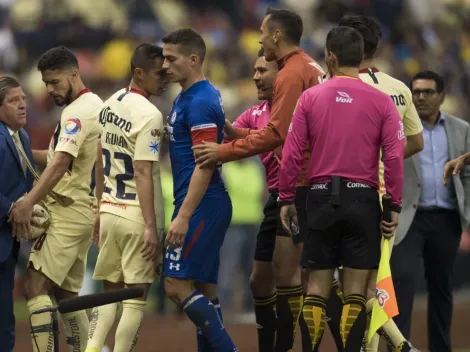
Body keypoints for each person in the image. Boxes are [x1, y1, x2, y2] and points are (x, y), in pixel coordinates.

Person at [194, 8, 325, 351]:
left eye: (261, 69)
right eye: (253, 70)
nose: (255, 76)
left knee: (296, 276)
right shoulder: (259, 108)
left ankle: (288, 345)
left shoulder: (292, 77)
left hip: (301, 186)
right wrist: (218, 125)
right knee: (260, 280)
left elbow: (274, 134)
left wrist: (221, 152)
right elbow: (245, 132)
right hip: (281, 193)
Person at [278, 26, 404, 352]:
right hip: (362, 198)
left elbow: (292, 153)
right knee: (355, 293)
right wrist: (393, 205)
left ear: (330, 58)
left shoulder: (310, 97)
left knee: (316, 288)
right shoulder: (382, 101)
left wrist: (287, 197)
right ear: (360, 58)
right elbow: (393, 157)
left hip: (320, 196)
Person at [319, 14, 423, 352]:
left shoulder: (336, 86)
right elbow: (417, 141)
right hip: (385, 193)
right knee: (370, 280)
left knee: (349, 283)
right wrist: (385, 155)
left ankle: (397, 344)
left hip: (346, 191)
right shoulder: (399, 89)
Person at [11, 46, 103, 352]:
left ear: (73, 74)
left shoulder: (76, 112)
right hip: (81, 210)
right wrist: (19, 152)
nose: (49, 89)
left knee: (34, 286)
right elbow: (55, 157)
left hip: (66, 211)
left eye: (54, 82)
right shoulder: (92, 104)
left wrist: (27, 202)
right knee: (66, 294)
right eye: (46, 83)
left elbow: (60, 164)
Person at [84, 43, 167, 352]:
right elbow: (143, 171)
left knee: (109, 292)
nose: (164, 80)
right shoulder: (150, 114)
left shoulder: (109, 104)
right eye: (159, 74)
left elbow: (98, 160)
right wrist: (149, 226)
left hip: (109, 210)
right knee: (135, 299)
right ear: (139, 72)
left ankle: (92, 348)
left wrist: (98, 209)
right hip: (135, 215)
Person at [161, 28, 238, 351]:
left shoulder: (201, 100)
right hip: (204, 202)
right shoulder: (191, 95)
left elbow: (205, 164)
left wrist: (183, 216)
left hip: (202, 203)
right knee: (206, 290)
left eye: (170, 58)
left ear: (193, 60)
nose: (164, 65)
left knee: (175, 285)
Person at [391, 71, 470, 352]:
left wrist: (465, 209)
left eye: (427, 92)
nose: (420, 97)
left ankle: (441, 348)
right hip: (408, 219)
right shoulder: (398, 128)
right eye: (416, 92)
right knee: (402, 283)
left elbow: (468, 172)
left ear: (442, 96)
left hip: (446, 219)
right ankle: (399, 347)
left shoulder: (461, 129)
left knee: (442, 289)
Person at [0, 76, 35, 352]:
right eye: (14, 100)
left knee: (4, 317)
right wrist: (13, 208)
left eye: (23, 98)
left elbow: (26, 186)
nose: (23, 105)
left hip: (6, 241)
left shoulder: (22, 136)